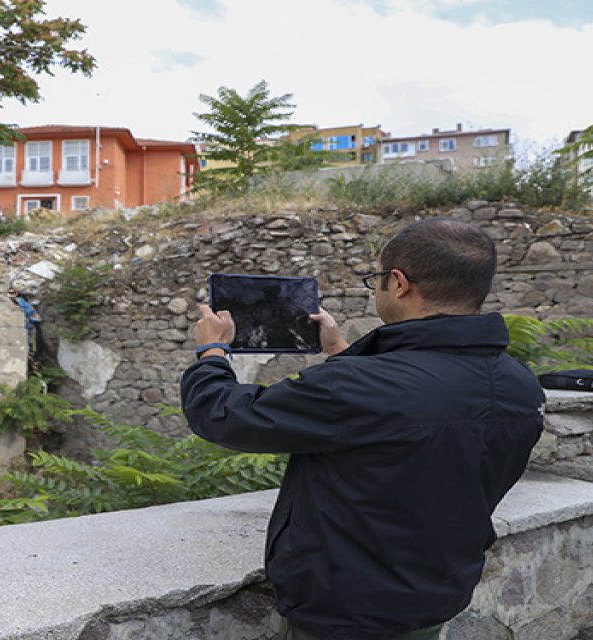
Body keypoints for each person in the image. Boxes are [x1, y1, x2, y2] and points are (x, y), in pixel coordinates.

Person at [180, 218, 544, 639]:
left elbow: (224, 415)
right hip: (436, 594)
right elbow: (404, 425)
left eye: (376, 279)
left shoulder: (363, 386)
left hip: (345, 609)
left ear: (399, 283)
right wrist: (340, 353)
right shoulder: (519, 382)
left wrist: (211, 351)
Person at [8, 288, 43, 366]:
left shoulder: (20, 301)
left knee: (31, 344)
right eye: (10, 293)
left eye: (13, 292)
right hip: (22, 328)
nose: (11, 294)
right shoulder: (17, 301)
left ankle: (32, 360)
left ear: (16, 293)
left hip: (27, 327)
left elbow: (30, 312)